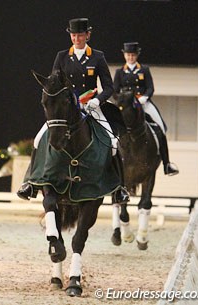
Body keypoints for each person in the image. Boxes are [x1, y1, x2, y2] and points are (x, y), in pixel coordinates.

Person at [17, 18, 129, 202]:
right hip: (67, 107)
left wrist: (97, 100)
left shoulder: (97, 56)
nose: (76, 38)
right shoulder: (62, 56)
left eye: (80, 35)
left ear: (88, 35)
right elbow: (54, 83)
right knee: (39, 139)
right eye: (74, 35)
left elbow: (109, 87)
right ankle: (30, 183)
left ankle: (120, 189)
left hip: (91, 105)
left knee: (112, 141)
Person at [113, 42, 179, 176]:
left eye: (133, 55)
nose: (130, 57)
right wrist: (121, 99)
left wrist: (144, 97)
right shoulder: (120, 72)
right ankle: (110, 162)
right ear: (125, 55)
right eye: (128, 55)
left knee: (160, 127)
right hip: (126, 105)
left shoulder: (144, 70)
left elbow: (150, 88)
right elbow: (114, 90)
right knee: (111, 127)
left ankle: (167, 164)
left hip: (142, 103)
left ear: (136, 55)